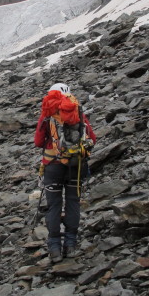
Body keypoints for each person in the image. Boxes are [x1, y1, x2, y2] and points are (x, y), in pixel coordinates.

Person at [34, 83, 96, 262]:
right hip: (75, 165)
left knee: (54, 205)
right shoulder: (77, 110)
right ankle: (70, 244)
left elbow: (38, 141)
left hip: (52, 165)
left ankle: (54, 248)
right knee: (73, 202)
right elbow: (92, 138)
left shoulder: (48, 113)